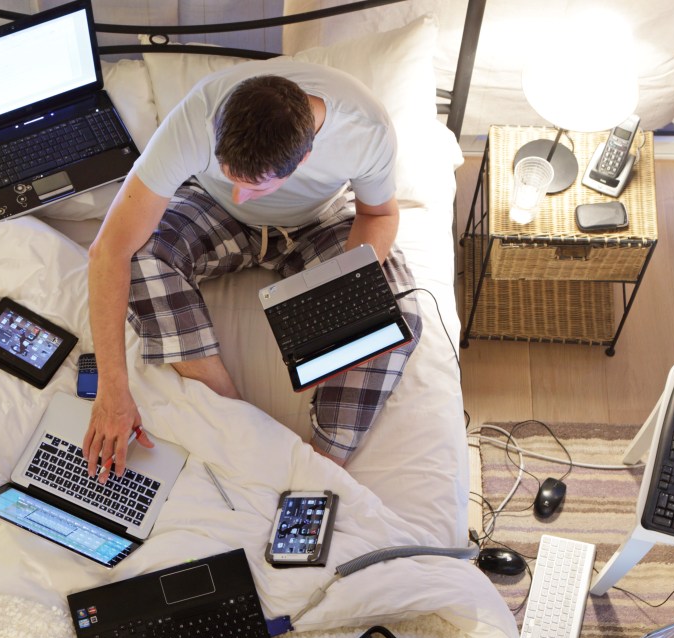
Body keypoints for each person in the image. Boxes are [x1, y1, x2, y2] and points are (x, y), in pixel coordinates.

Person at [81, 60, 424, 481]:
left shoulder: (365, 130)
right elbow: (109, 250)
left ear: (306, 155)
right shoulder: (197, 119)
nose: (243, 197)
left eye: (256, 186)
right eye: (232, 177)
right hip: (212, 210)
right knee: (139, 256)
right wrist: (112, 390)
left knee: (395, 314)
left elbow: (379, 213)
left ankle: (316, 467)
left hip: (320, 221)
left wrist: (345, 295)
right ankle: (240, 421)